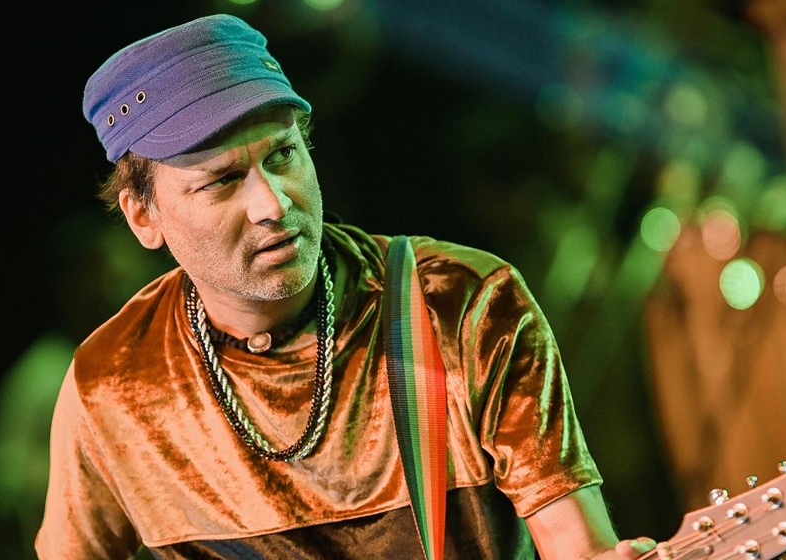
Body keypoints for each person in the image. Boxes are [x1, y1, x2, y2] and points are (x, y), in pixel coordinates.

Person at [36, 14, 656, 560]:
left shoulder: (460, 305)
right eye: (222, 181)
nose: (272, 204)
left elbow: (579, 547)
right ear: (143, 217)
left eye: (282, 156)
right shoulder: (113, 382)